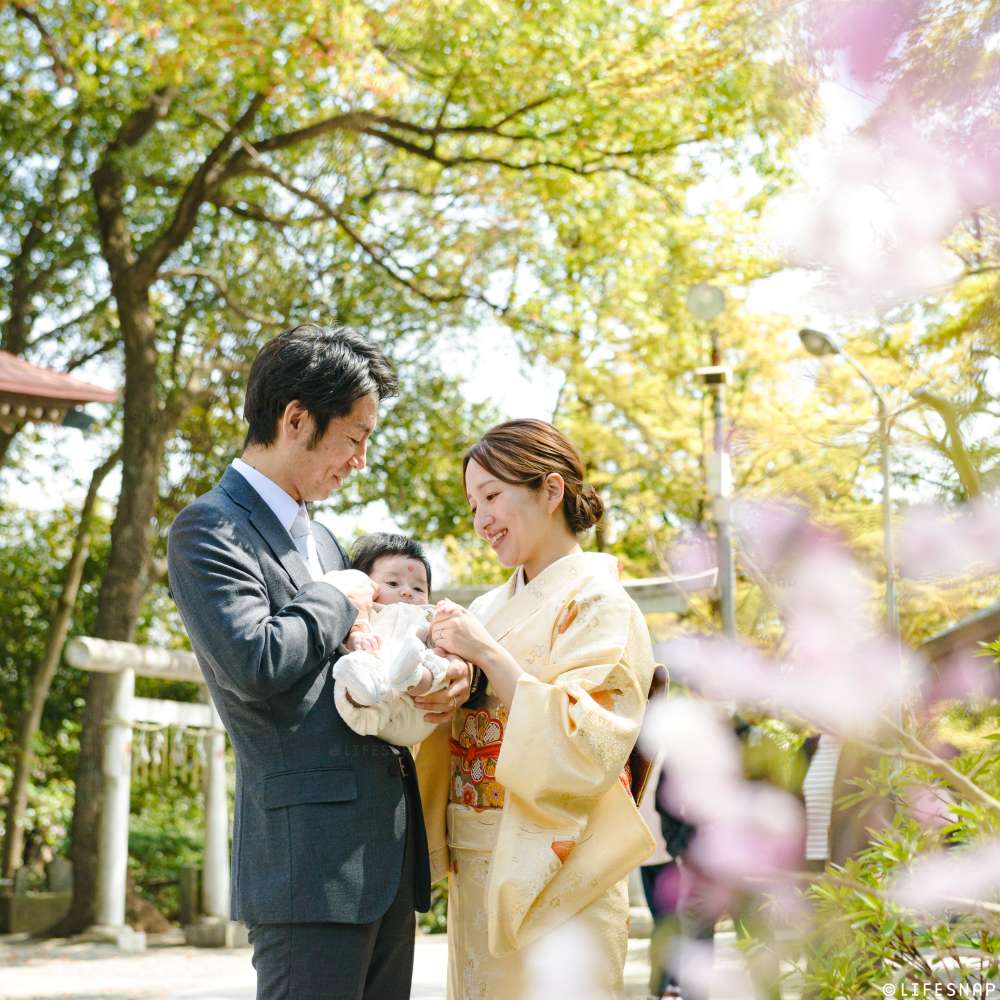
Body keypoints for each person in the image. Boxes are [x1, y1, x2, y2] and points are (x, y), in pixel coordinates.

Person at [166, 324, 471, 1000]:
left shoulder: (326, 538)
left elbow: (362, 665)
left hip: (382, 854)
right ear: (296, 418)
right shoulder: (209, 529)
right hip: (306, 861)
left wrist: (431, 679)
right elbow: (255, 660)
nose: (360, 460)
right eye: (355, 437)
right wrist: (335, 595)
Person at [416, 418, 657, 1000]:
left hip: (561, 864)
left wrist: (484, 655)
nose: (481, 522)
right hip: (480, 858)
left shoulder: (602, 603)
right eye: (473, 506)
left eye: (493, 497)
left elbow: (587, 744)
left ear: (551, 490)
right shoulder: (493, 606)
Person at [335, 533, 453, 745]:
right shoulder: (365, 615)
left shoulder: (428, 617)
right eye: (393, 583)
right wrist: (356, 637)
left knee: (438, 665)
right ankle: (363, 689)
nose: (407, 592)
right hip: (374, 705)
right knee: (359, 668)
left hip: (416, 710)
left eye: (418, 588)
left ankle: (411, 676)